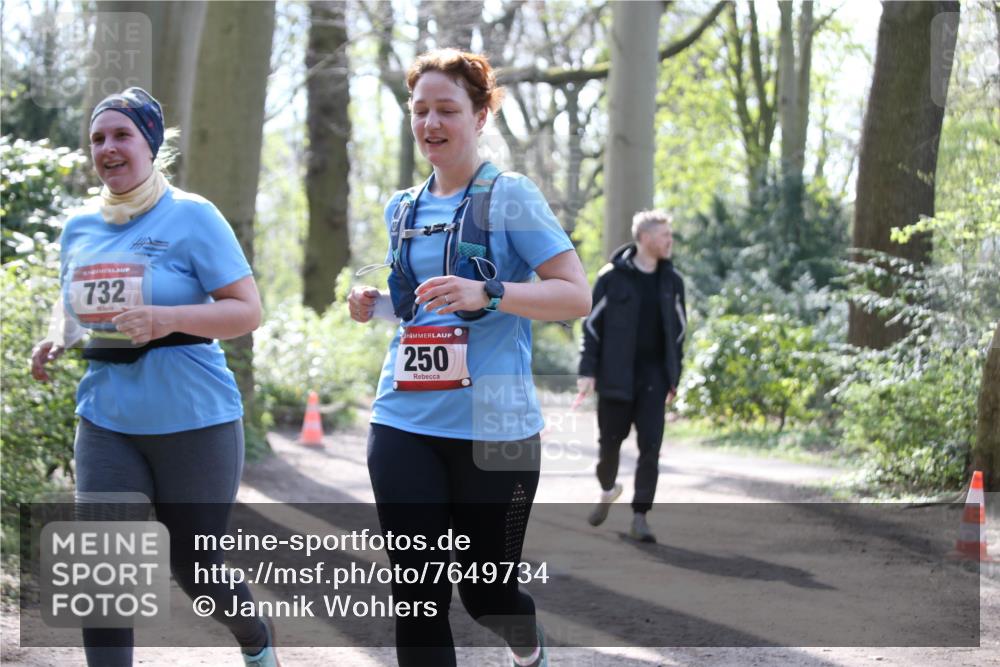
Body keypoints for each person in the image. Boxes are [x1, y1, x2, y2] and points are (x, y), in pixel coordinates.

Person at [348, 49, 590, 667]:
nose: (431, 123)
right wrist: (377, 304)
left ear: (481, 116)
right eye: (420, 110)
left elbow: (575, 294)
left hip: (496, 430)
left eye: (447, 109)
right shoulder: (402, 208)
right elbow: (419, 309)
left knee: (486, 593)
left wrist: (494, 290)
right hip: (405, 422)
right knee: (417, 595)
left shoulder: (511, 197)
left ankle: (523, 633)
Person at [30, 87, 279, 667]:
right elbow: (73, 304)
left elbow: (247, 311)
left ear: (150, 145)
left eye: (122, 136)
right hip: (107, 417)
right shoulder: (79, 227)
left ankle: (256, 641)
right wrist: (56, 336)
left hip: (195, 418)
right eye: (98, 139)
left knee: (196, 570)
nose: (108, 149)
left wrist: (167, 317)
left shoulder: (193, 216)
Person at [576, 210, 687, 543]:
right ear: (646, 238)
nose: (670, 241)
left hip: (654, 376)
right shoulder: (612, 277)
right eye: (665, 235)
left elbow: (680, 332)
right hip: (614, 375)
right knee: (609, 445)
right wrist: (587, 370)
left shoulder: (673, 281)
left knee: (650, 445)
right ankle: (608, 489)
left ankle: (640, 516)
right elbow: (592, 325)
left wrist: (673, 377)